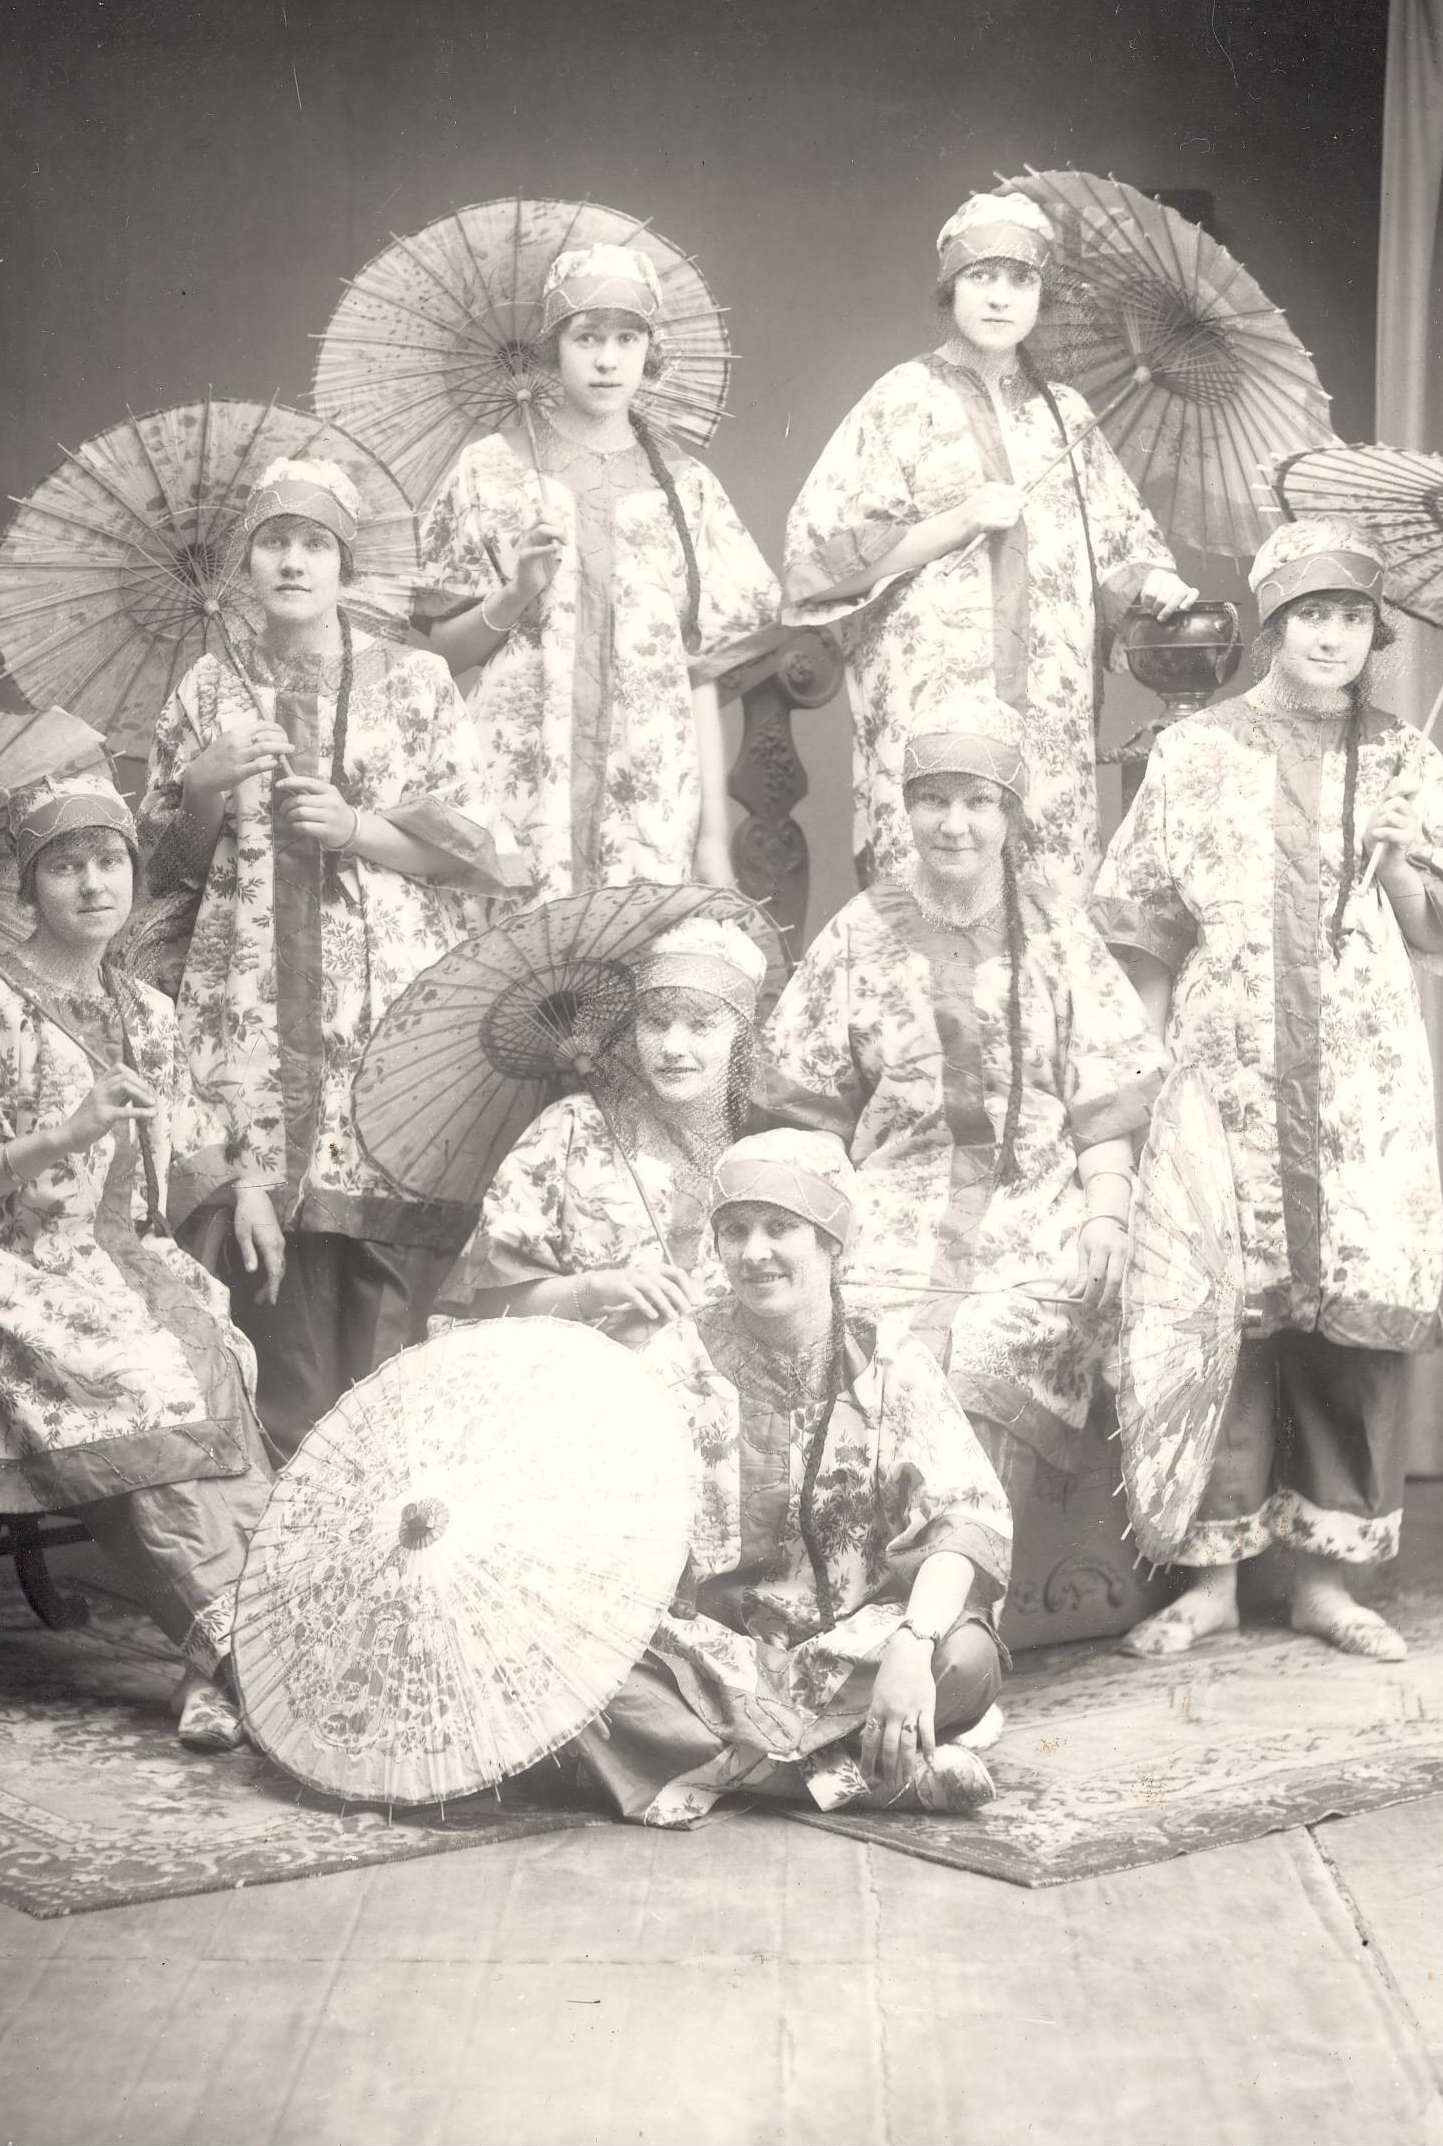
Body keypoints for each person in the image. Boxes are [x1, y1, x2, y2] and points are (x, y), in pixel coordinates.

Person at [1092, 519, 1443, 1662]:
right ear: (1272, 623)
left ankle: (1324, 1580)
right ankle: (1209, 1579)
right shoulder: (1193, 752)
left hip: (1359, 1081)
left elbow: (1432, 934)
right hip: (1222, 1073)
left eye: (1351, 617)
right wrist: (1146, 1084)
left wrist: (1408, 854)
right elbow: (1145, 933)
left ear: (1376, 632)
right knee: (1218, 1310)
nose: (1331, 636)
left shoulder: (1405, 758)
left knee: (1347, 1319)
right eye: (1309, 614)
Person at [137, 456, 519, 1460]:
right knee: (283, 1265)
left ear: (344, 565)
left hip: (386, 996)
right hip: (252, 1002)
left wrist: (357, 826)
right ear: (246, 563)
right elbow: (161, 871)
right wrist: (206, 789)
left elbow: (485, 854)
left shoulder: (417, 678)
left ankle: (394, 1488)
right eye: (274, 541)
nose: (292, 560)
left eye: (314, 544)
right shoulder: (207, 686)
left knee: (390, 1262)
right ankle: (295, 1501)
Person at [0, 775, 269, 1751]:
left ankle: (217, 1660)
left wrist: (246, 1182)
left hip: (123, 1260)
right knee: (139, 1382)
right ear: (29, 885)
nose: (93, 885)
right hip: (7, 1263)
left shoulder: (147, 1011)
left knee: (221, 1359)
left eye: (109, 863)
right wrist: (53, 1141)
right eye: (65, 866)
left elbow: (175, 1158)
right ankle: (237, 1653)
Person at [754, 696, 1166, 1525]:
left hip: (1040, 1201)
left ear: (1011, 815)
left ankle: (964, 1589)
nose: (954, 824)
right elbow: (805, 1112)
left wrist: (1107, 1215)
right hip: (891, 1201)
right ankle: (865, 1583)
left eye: (979, 801)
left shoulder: (1054, 928)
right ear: (902, 806)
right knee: (870, 1335)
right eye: (932, 799)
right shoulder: (857, 932)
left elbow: (1104, 1093)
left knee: (986, 1338)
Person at [577, 1131, 1012, 1829]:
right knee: (594, 1684)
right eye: (734, 1231)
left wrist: (912, 1643)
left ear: (831, 1244)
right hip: (717, 1654)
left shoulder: (886, 1360)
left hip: (855, 1646)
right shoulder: (673, 1361)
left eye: (781, 1228)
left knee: (962, 1661)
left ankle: (739, 1766)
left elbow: (964, 1514)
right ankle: (860, 1783)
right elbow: (610, 1518)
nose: (754, 1253)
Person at [781, 190, 1197, 897]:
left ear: (1039, 294)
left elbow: (1118, 548)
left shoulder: (1067, 416)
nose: (1000, 297)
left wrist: (1150, 583)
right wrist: (958, 520)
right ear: (949, 288)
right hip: (930, 687)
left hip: (1048, 699)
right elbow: (816, 563)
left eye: (1020, 280)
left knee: (1046, 893)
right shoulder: (901, 399)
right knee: (933, 881)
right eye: (981, 277)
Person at [416, 242, 780, 899]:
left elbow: (700, 672)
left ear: (651, 349)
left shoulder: (686, 488)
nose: (607, 359)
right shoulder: (489, 469)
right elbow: (442, 652)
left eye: (626, 338)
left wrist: (711, 839)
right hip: (513, 779)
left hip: (649, 795)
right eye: (586, 337)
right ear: (555, 346)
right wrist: (516, 592)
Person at [439, 917, 765, 1347]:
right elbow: (486, 1303)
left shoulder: (763, 1156)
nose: (671, 1046)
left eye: (701, 1025)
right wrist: (600, 1289)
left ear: (740, 1037)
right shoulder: (573, 1127)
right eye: (655, 1021)